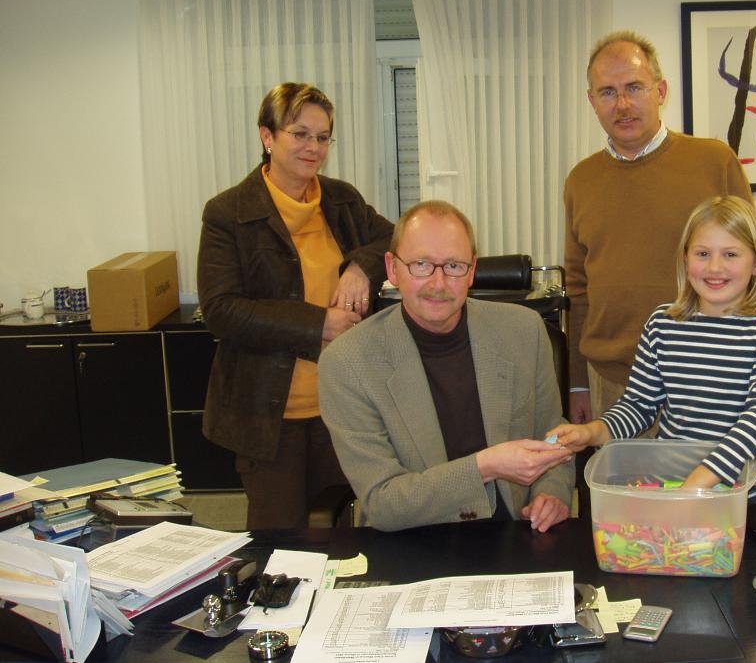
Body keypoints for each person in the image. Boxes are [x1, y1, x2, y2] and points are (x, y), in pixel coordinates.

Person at [197, 82, 394, 529]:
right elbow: (221, 310)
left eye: (323, 137)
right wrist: (319, 324)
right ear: (267, 136)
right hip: (269, 416)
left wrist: (360, 266)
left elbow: (394, 238)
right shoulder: (228, 213)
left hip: (340, 406)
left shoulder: (341, 200)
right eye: (300, 134)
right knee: (280, 540)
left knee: (339, 534)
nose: (314, 148)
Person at [318, 200, 574, 532]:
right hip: (413, 540)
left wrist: (551, 493)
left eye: (453, 266)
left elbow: (553, 434)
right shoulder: (348, 362)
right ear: (392, 269)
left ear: (472, 270)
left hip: (515, 532)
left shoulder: (524, 331)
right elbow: (382, 503)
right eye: (421, 264)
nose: (438, 284)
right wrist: (485, 466)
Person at [549, 196, 756, 502]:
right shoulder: (663, 324)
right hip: (669, 492)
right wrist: (592, 432)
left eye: (731, 254)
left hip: (742, 503)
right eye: (702, 253)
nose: (715, 267)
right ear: (685, 258)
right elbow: (638, 406)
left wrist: (699, 482)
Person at [564, 30, 753, 423]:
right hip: (613, 384)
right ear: (592, 101)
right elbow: (578, 289)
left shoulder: (714, 162)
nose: (623, 104)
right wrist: (578, 382)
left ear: (661, 91)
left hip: (705, 379)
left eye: (635, 88)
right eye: (608, 92)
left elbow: (754, 269)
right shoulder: (581, 181)